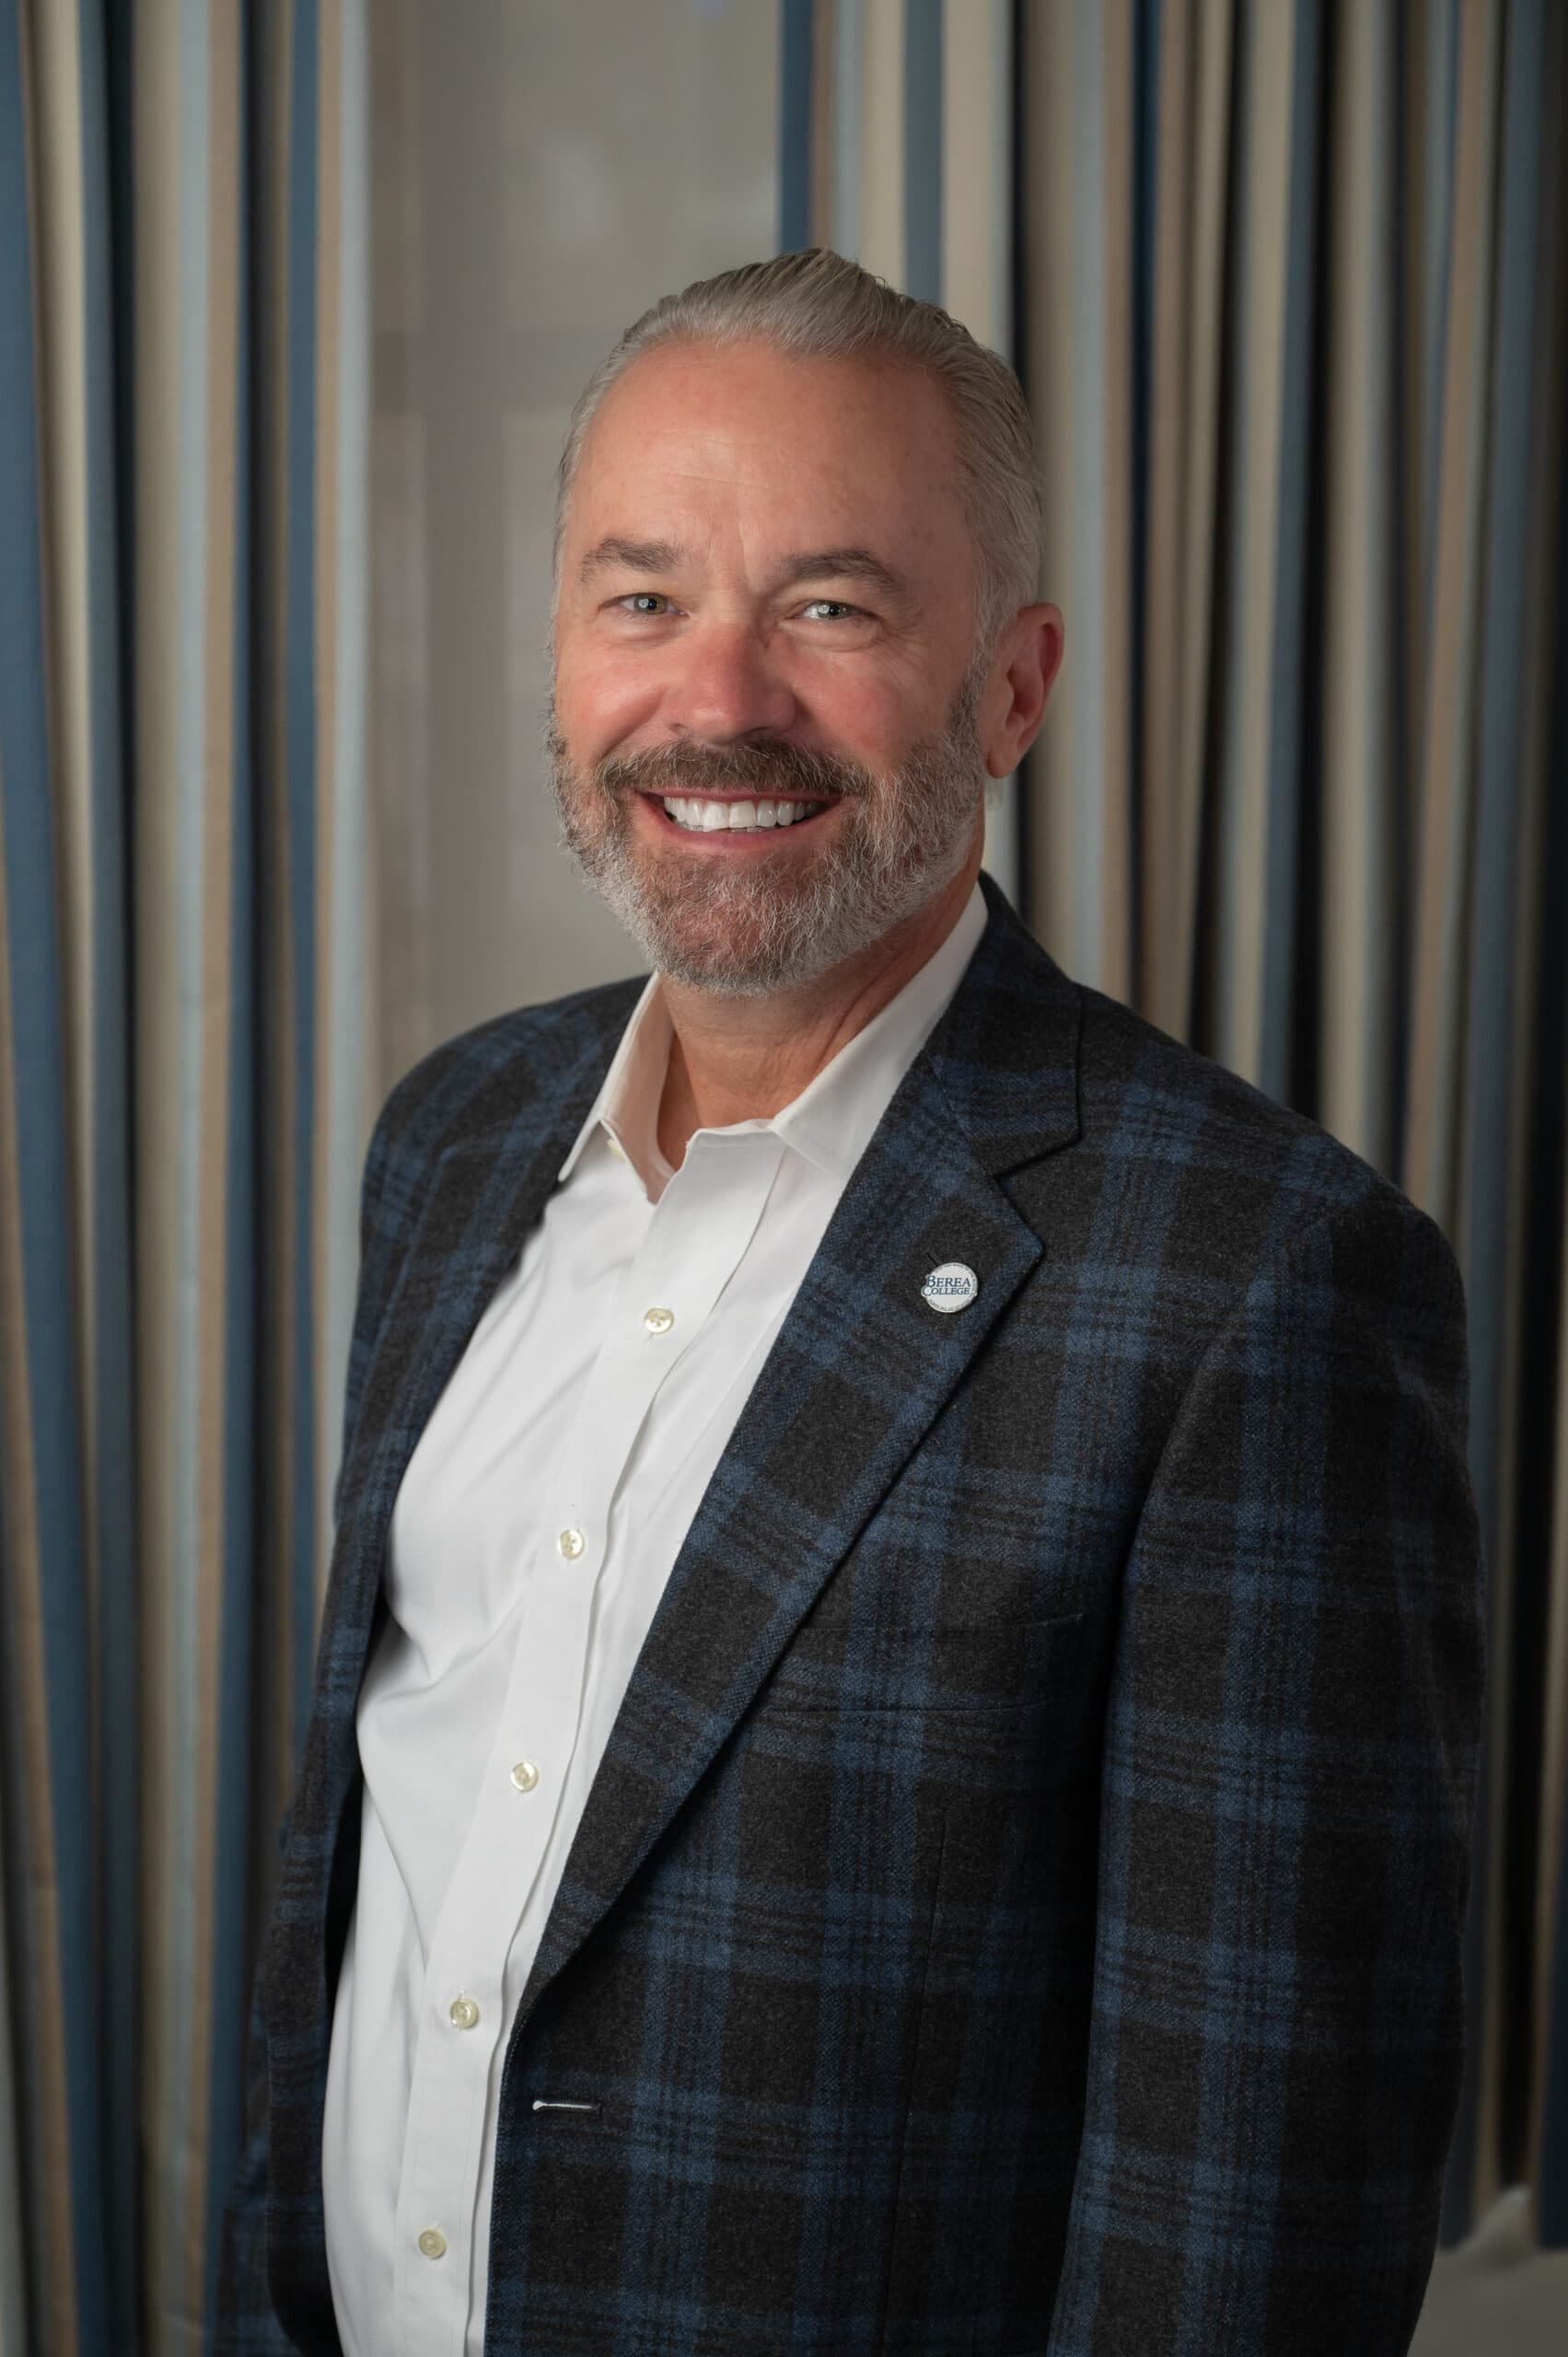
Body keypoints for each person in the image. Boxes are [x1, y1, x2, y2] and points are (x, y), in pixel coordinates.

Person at [217, 249, 1485, 2357]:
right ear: (559, 647)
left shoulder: (1262, 1285)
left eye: (831, 605)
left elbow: (1244, 2211)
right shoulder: (450, 1142)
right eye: (642, 597)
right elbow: (373, 1871)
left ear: (1013, 682)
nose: (716, 698)